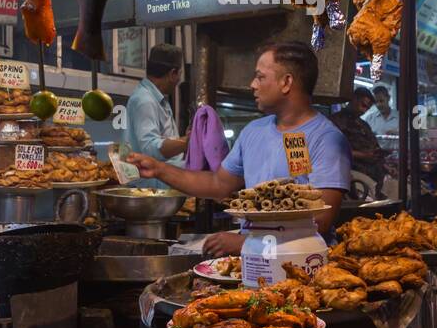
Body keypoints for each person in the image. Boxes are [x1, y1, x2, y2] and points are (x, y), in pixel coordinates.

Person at [128, 41, 351, 256]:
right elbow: (218, 184)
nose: (252, 85)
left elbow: (320, 223)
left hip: (303, 267)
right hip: (254, 263)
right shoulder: (254, 130)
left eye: (260, 77)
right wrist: (158, 170)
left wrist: (245, 243)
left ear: (286, 82)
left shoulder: (326, 139)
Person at [124, 43, 188, 189]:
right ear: (172, 74)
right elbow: (149, 148)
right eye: (179, 74)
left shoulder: (158, 99)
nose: (179, 80)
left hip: (162, 186)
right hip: (150, 190)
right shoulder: (144, 100)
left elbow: (164, 140)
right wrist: (187, 142)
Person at [328, 87, 386, 187]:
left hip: (375, 177)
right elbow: (330, 150)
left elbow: (375, 147)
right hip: (352, 176)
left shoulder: (364, 125)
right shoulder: (336, 121)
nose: (364, 110)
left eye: (367, 108)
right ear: (354, 99)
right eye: (363, 105)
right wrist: (362, 155)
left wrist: (385, 165)